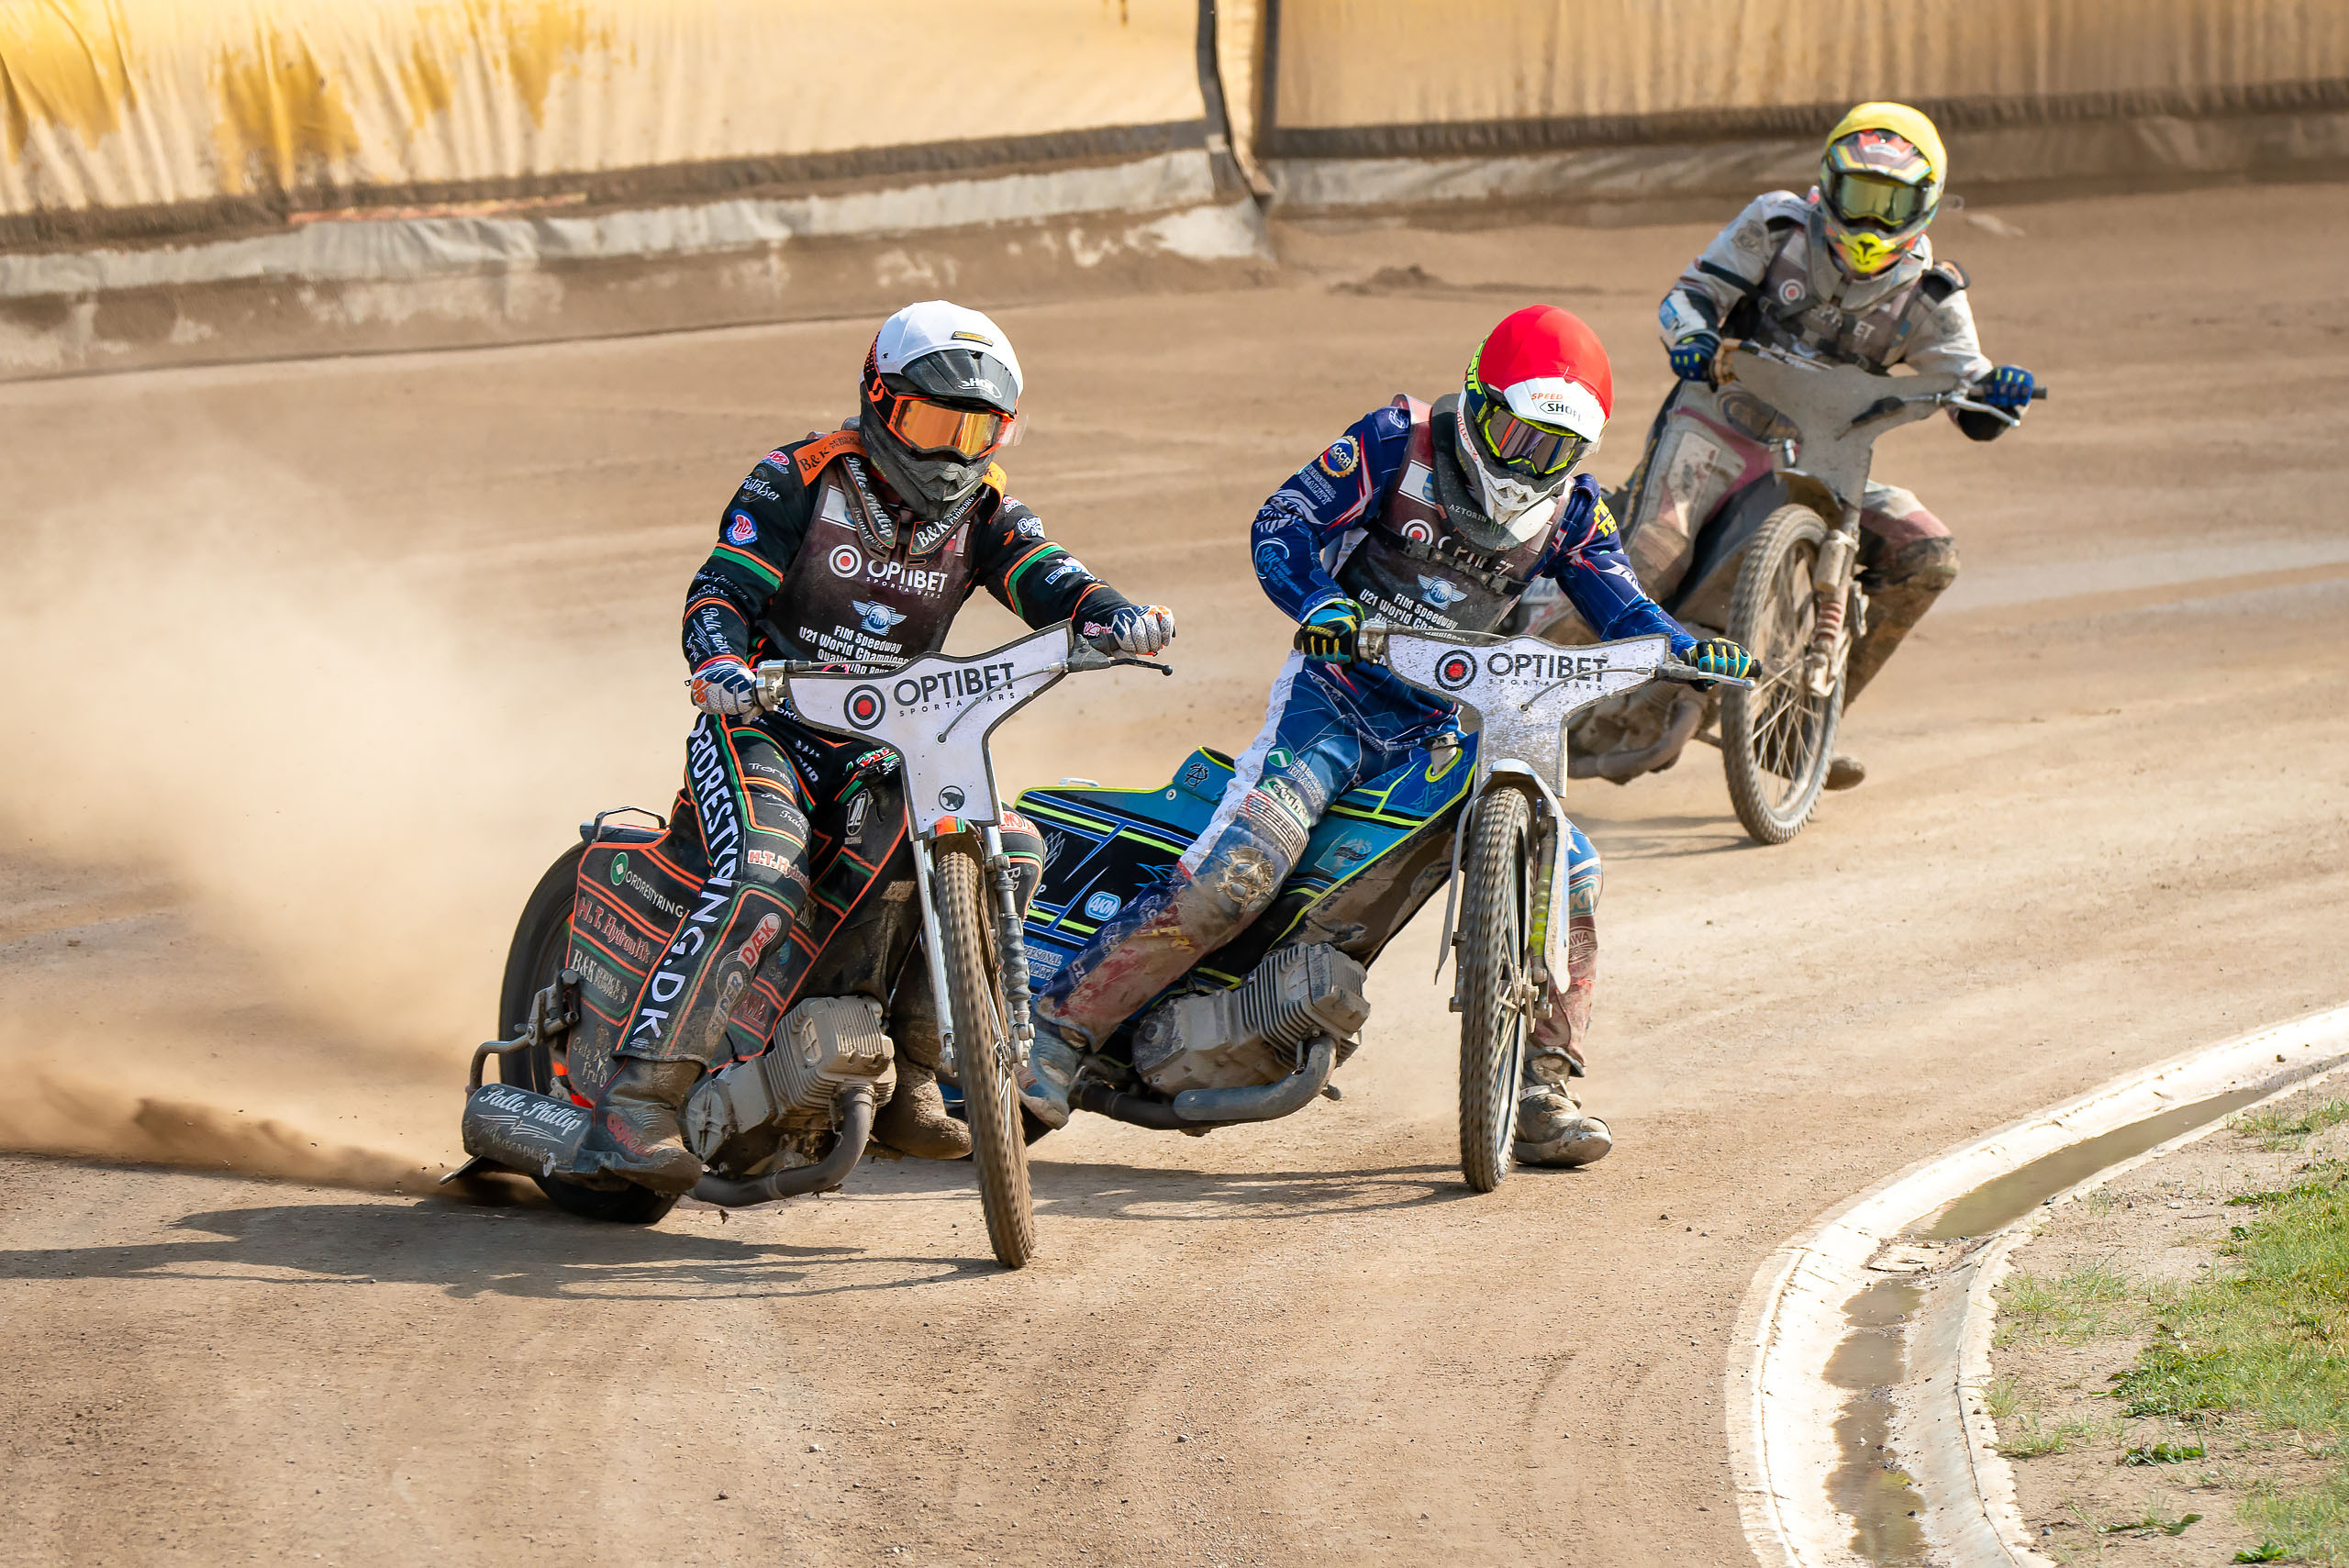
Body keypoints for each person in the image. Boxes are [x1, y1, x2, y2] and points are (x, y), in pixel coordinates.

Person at [1019, 306, 1751, 1167]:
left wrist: (1683, 647)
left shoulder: (1573, 512)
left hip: (1445, 725)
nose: (1529, 461)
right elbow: (1283, 526)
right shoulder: (1395, 444)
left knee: (1575, 867)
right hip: (1332, 699)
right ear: (1479, 401)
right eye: (1517, 431)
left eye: (1555, 447)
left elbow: (1625, 609)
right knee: (1239, 872)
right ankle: (1060, 1029)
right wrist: (1319, 603)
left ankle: (1543, 1087)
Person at [574, 299, 1177, 1193]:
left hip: (884, 745)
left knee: (1005, 845)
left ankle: (916, 1076)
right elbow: (719, 590)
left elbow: (1055, 580)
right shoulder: (797, 478)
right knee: (764, 871)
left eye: (975, 431)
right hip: (762, 728)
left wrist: (1110, 616)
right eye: (931, 423)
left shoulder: (985, 511)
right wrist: (719, 663)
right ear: (878, 401)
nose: (948, 453)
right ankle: (636, 1105)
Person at [1638, 101, 2035, 789]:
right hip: (1718, 427)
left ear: (1927, 205)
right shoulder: (1776, 225)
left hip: (1828, 460)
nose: (1872, 221)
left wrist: (1999, 395)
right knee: (1651, 559)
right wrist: (1695, 338)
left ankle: (1798, 725)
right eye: (1860, 197)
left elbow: (1970, 392)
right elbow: (1690, 296)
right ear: (1829, 183)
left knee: (1926, 554)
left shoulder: (1931, 294)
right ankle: (1541, 690)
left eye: (1893, 204)